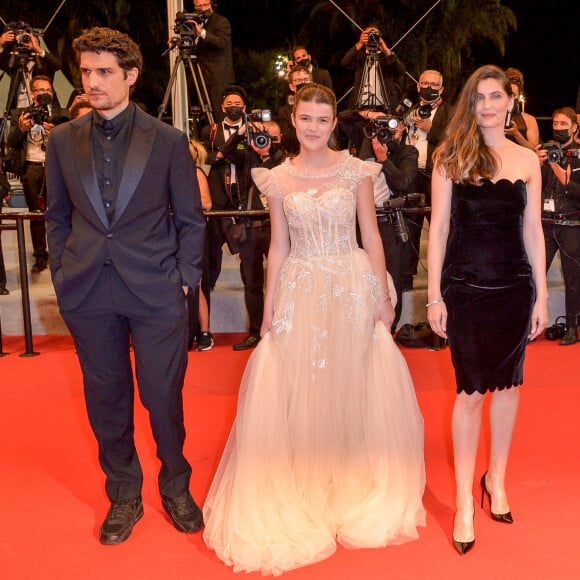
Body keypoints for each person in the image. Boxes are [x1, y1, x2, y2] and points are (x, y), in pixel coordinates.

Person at [203, 84, 426, 575]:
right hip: (301, 288)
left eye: (322, 120)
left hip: (349, 285)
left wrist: (380, 294)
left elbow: (371, 235)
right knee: (303, 385)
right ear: (293, 119)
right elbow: (277, 246)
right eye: (305, 118)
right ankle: (308, 483)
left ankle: (349, 480)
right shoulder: (277, 178)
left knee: (350, 382)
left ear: (332, 125)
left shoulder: (357, 172)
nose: (313, 128)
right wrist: (268, 311)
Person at [44, 27, 206, 545]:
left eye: (104, 72)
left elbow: (191, 218)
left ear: (131, 76)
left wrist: (184, 279)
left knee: (162, 397)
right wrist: (64, 273)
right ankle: (124, 492)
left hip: (156, 290)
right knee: (107, 398)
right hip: (89, 292)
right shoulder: (61, 141)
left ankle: (175, 484)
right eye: (87, 71)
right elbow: (56, 217)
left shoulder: (168, 141)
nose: (92, 81)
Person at [427, 65, 548, 555]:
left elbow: (534, 230)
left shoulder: (527, 159)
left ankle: (495, 479)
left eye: (496, 96)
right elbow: (436, 230)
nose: (489, 105)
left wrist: (540, 293)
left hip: (515, 286)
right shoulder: (450, 156)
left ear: (510, 101)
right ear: (468, 105)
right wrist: (434, 295)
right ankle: (461, 500)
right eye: (479, 98)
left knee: (510, 385)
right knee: (472, 391)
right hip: (466, 288)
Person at [338, 108, 419, 330]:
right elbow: (343, 117)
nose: (384, 131)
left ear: (401, 128)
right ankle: (365, 328)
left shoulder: (408, 152)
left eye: (390, 125)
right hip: (362, 222)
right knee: (362, 276)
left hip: (389, 222)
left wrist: (384, 160)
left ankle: (389, 328)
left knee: (394, 277)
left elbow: (404, 182)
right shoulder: (364, 142)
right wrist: (369, 116)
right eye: (380, 126)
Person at [219, 118, 285, 351]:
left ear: (280, 140)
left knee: (284, 282)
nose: (264, 140)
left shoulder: (285, 160)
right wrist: (243, 131)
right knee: (252, 283)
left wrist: (268, 155)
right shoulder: (248, 156)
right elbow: (225, 150)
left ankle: (282, 329)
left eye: (270, 137)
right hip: (250, 228)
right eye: (261, 135)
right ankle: (256, 332)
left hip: (277, 228)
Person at [6, 75, 69, 273]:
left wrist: (56, 131)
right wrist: (23, 130)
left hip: (55, 167)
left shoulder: (62, 113)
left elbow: (71, 140)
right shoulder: (20, 114)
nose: (44, 94)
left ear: (53, 93)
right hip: (32, 167)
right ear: (33, 94)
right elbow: (11, 141)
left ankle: (62, 254)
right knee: (36, 214)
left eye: (48, 90)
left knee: (60, 212)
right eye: (40, 90)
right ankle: (40, 257)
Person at [403, 69, 454, 291]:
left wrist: (431, 130)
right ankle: (406, 277)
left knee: (441, 226)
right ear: (418, 86)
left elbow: (455, 142)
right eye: (425, 83)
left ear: (441, 89)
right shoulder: (408, 110)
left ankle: (444, 276)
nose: (429, 88)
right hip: (411, 176)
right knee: (409, 228)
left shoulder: (451, 112)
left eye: (434, 85)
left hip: (437, 176)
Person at [537, 107, 580, 345]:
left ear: (574, 127)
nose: (559, 128)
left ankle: (573, 327)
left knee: (574, 279)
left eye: (564, 124)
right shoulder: (545, 152)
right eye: (555, 124)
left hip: (572, 224)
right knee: (535, 275)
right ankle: (529, 325)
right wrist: (537, 162)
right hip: (545, 223)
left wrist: (564, 177)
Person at [200, 84, 248, 292]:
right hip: (217, 194)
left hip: (244, 192)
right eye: (229, 104)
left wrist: (223, 153)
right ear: (222, 107)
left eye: (237, 104)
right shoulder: (210, 130)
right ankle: (209, 286)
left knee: (247, 245)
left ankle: (250, 286)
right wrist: (223, 152)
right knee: (213, 243)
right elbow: (205, 156)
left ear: (244, 108)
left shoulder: (251, 130)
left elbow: (244, 157)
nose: (233, 107)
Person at [185, 0, 235, 123]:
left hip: (219, 80)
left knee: (219, 116)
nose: (202, 9)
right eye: (199, 6)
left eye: (205, 5)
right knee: (205, 117)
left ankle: (221, 141)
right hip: (201, 78)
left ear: (212, 5)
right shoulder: (196, 23)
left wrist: (201, 33)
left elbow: (221, 42)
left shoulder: (221, 22)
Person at [340, 26, 405, 113]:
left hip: (383, 107)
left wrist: (385, 50)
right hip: (361, 107)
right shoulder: (359, 57)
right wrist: (360, 43)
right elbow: (345, 62)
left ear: (380, 37)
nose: (372, 37)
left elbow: (401, 70)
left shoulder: (387, 57)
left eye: (375, 35)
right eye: (368, 34)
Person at [188, 138, 214, 351]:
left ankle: (204, 332)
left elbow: (206, 203)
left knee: (195, 282)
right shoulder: (167, 175)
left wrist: (181, 203)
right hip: (169, 233)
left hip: (191, 233)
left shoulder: (196, 174)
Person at [0, 22, 62, 108]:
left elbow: (57, 65)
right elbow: (2, 63)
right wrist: (1, 44)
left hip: (44, 104)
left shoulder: (44, 62)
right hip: (19, 106)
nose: (30, 44)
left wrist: (38, 49)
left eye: (34, 41)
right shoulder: (15, 62)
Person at [275, 65, 313, 157]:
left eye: (305, 80)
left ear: (311, 83)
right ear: (292, 87)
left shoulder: (322, 107)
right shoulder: (284, 111)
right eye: (298, 80)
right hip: (296, 157)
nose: (303, 83)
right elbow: (288, 142)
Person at [504, 68, 540, 150]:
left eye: (514, 95)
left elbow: (535, 150)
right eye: (508, 94)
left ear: (519, 95)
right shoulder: (494, 116)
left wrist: (516, 134)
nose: (511, 98)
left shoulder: (529, 120)